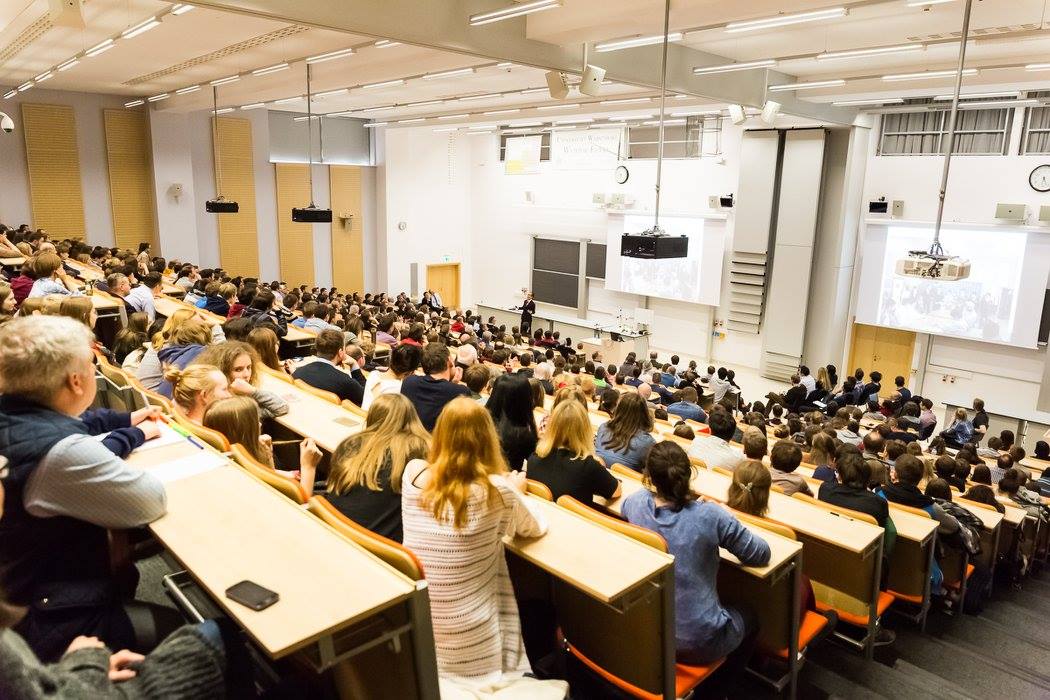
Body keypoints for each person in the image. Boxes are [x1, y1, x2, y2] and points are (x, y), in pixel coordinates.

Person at [0, 316, 170, 661]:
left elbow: (75, 422)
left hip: (20, 586)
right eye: (92, 367)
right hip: (44, 619)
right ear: (76, 381)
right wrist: (131, 436)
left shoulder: (15, 413)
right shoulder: (61, 452)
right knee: (205, 638)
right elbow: (151, 500)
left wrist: (126, 421)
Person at [401, 398, 550, 686]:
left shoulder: (413, 473)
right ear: (488, 438)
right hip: (472, 638)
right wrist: (516, 490)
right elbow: (534, 527)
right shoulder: (497, 491)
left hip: (420, 625)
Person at [622, 441, 770, 695]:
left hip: (649, 629)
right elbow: (761, 553)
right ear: (688, 473)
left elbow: (629, 504)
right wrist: (727, 516)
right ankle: (719, 690)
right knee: (750, 616)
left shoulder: (636, 502)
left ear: (649, 476)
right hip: (697, 643)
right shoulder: (710, 515)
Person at [326, 394, 429, 543]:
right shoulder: (419, 450)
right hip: (377, 545)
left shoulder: (350, 444)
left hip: (334, 530)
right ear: (412, 418)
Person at [526, 401, 620, 507]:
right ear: (584, 430)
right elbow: (616, 492)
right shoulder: (588, 466)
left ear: (552, 426)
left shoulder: (534, 459)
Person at [819, 447, 897, 563]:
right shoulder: (877, 502)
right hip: (861, 559)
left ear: (840, 476)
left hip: (824, 548)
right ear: (868, 479)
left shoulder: (825, 489)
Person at [195, 341, 289, 419]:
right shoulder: (226, 405)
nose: (246, 374)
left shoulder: (241, 395)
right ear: (222, 372)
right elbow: (281, 408)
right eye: (238, 370)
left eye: (249, 367)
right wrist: (253, 391)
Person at [400, 343, 471, 431]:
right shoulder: (462, 392)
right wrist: (454, 385)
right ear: (449, 361)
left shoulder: (409, 382)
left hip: (405, 437)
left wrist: (453, 384)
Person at [292, 330, 366, 406]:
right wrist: (355, 365)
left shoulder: (298, 372)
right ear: (340, 352)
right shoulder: (346, 382)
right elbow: (366, 397)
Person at [486, 373, 538, 471]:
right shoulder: (524, 434)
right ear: (526, 398)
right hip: (507, 478)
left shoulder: (479, 420)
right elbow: (536, 461)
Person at [594, 392, 655, 472]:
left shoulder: (603, 427)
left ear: (618, 409)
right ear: (645, 413)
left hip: (595, 475)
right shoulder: (648, 442)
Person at [154, 318, 212, 399]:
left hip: (166, 401)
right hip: (178, 402)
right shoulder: (200, 352)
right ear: (203, 335)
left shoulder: (171, 354)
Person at [362, 343, 421, 411]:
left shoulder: (373, 374)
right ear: (409, 372)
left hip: (364, 416)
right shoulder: (399, 390)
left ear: (391, 359)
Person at [166, 364, 231, 424]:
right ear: (204, 395)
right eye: (224, 389)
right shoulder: (208, 432)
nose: (229, 395)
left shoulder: (176, 421)